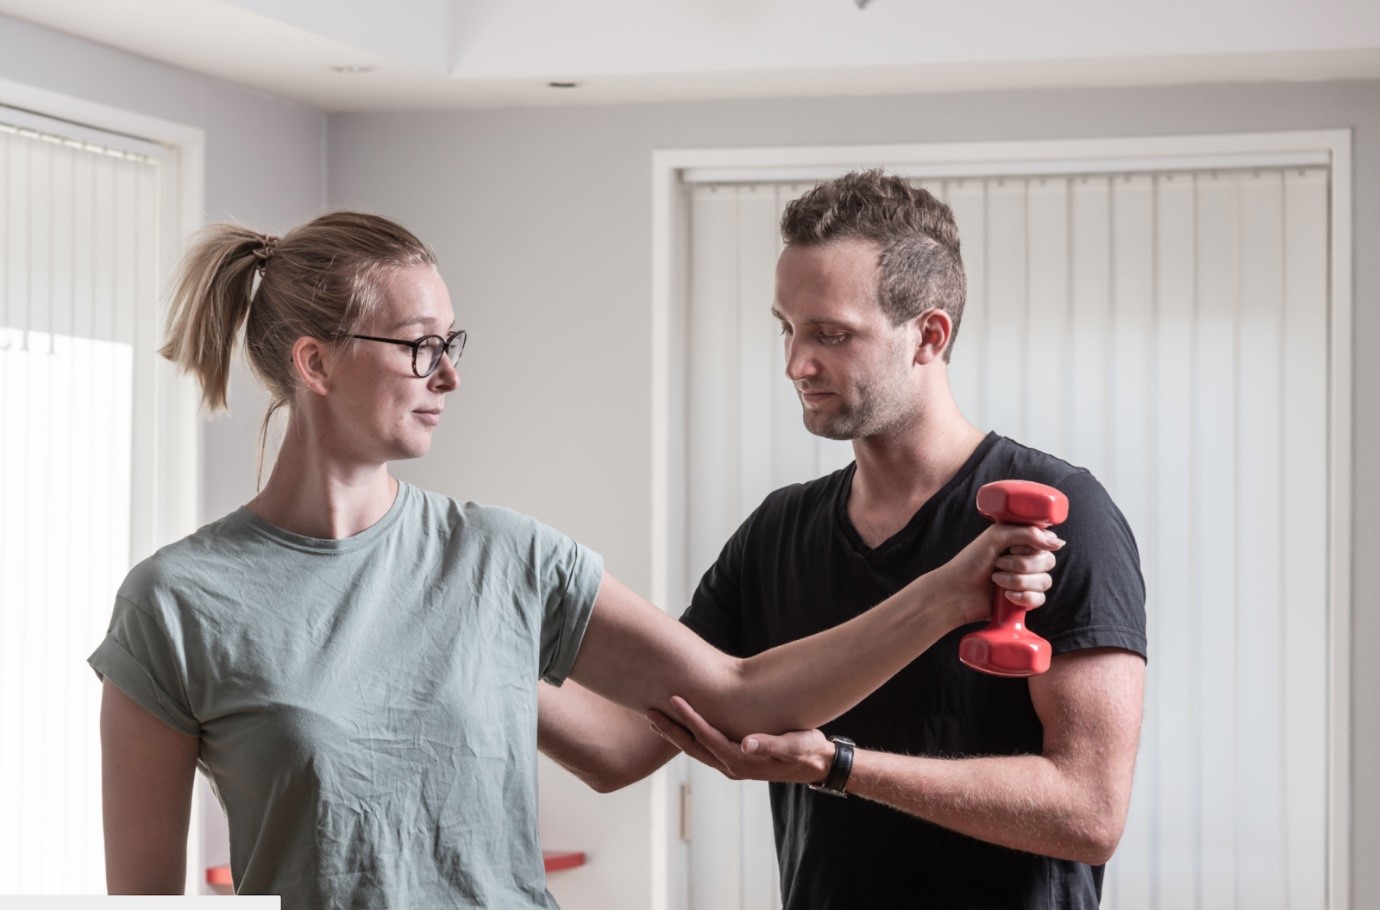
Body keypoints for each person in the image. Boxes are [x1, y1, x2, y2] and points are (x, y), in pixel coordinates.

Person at [88, 211, 1061, 907]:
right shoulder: (177, 604)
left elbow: (733, 691)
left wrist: (945, 595)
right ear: (315, 364)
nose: (452, 374)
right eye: (422, 347)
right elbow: (139, 901)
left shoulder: (501, 558)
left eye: (453, 343)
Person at [538, 170, 1147, 909]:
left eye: (830, 334)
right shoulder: (775, 534)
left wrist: (841, 767)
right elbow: (619, 747)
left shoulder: (1053, 518)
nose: (796, 363)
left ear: (928, 335)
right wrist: (468, 658)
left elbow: (1088, 813)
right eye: (786, 329)